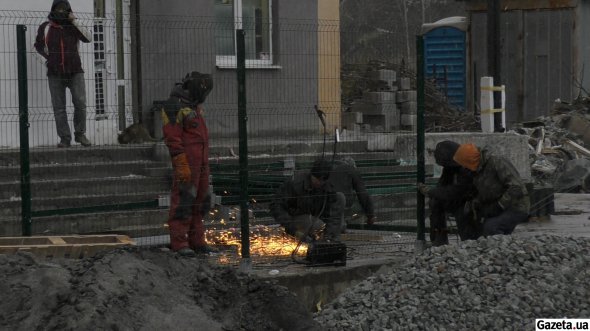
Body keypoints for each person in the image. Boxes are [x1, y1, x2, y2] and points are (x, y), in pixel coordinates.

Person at [161, 72, 214, 257]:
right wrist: (180, 162)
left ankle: (197, 241)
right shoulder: (174, 106)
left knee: (201, 202)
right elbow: (172, 138)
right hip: (187, 163)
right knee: (183, 202)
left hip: (201, 162)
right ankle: (179, 242)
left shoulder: (193, 107)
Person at [34, 0, 92, 148]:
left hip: (75, 71)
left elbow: (88, 38)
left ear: (68, 10)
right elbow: (37, 47)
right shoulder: (45, 28)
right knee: (59, 107)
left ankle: (80, 134)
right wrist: (47, 62)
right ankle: (65, 138)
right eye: (57, 9)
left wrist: (75, 21)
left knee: (80, 104)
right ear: (53, 9)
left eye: (63, 9)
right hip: (54, 73)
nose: (60, 11)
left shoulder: (73, 26)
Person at [452, 143, 530, 236]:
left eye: (464, 164)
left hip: (515, 206)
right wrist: (475, 204)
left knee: (491, 227)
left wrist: (499, 205)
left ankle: (500, 248)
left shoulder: (497, 161)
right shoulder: (477, 169)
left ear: (470, 161)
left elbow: (516, 187)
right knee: (469, 220)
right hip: (494, 205)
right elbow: (486, 191)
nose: (464, 167)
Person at [417, 141, 478, 246]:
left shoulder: (465, 168)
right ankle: (439, 240)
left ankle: (469, 243)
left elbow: (457, 191)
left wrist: (430, 191)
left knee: (462, 213)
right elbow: (443, 187)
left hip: (468, 201)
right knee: (435, 203)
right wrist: (433, 193)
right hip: (456, 200)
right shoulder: (449, 169)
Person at [270, 159, 346, 242]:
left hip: (316, 216)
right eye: (317, 179)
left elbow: (331, 213)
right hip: (296, 218)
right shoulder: (296, 185)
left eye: (323, 180)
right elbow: (276, 205)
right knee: (319, 226)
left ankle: (328, 239)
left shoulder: (326, 186)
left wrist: (329, 234)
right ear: (312, 175)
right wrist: (292, 230)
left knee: (339, 199)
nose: (320, 182)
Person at [329, 158, 376, 232]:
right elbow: (362, 194)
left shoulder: (330, 167)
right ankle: (342, 225)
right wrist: (371, 215)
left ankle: (340, 224)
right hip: (340, 199)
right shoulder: (351, 170)